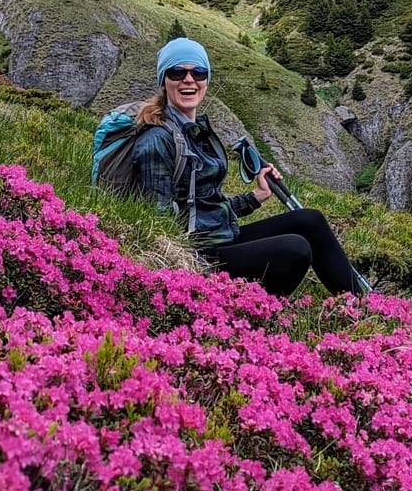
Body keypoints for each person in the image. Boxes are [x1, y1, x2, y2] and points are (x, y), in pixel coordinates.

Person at [126, 38, 358, 297]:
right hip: (197, 255)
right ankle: (250, 316)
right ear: (163, 80)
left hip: (219, 239)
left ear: (206, 80)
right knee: (295, 249)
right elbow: (157, 224)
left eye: (198, 72)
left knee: (310, 220)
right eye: (177, 72)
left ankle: (365, 309)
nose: (189, 79)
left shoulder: (195, 131)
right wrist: (186, 269)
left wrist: (256, 197)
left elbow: (205, 207)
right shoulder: (157, 140)